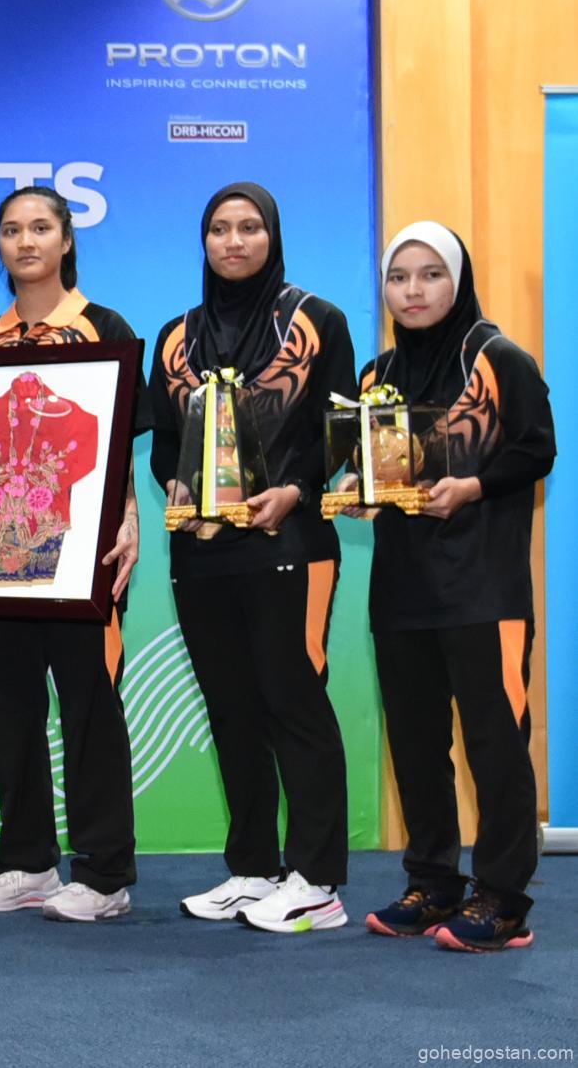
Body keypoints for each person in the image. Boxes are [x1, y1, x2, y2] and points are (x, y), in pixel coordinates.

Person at [150, 181, 355, 933]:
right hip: (201, 552)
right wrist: (174, 483)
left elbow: (340, 427)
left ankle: (318, 881)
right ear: (203, 242)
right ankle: (254, 868)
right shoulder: (177, 335)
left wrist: (296, 491)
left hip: (288, 545)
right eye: (219, 229)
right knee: (232, 711)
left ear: (272, 236)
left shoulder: (317, 320)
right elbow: (166, 442)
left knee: (293, 704)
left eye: (248, 227)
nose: (233, 242)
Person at [352, 222, 553, 952]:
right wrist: (361, 489)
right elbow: (377, 466)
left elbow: (537, 449)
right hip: (401, 591)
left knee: (496, 747)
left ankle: (502, 897)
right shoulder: (376, 376)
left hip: (482, 589)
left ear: (458, 280)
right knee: (416, 744)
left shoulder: (499, 358)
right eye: (399, 277)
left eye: (431, 274)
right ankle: (432, 881)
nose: (413, 290)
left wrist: (473, 486)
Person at [0, 186, 143, 922]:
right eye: (10, 230)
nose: (25, 241)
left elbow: (120, 445)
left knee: (89, 705)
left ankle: (104, 873)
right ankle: (28, 861)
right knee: (11, 707)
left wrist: (128, 517)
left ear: (65, 240)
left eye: (40, 227)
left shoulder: (104, 328)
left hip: (81, 556)